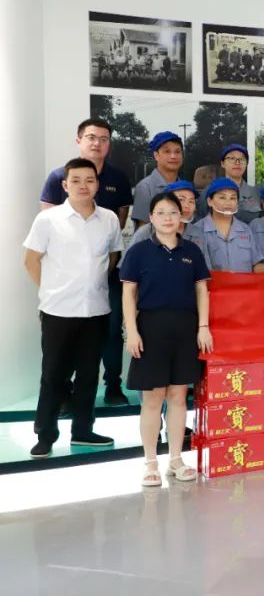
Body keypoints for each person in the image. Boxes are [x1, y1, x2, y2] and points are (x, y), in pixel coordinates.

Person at [23, 158, 123, 457]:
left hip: (96, 310)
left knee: (89, 375)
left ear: (97, 184)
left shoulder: (109, 219)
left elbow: (113, 257)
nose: (83, 185)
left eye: (89, 180)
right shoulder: (48, 220)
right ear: (65, 186)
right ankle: (45, 434)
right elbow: (31, 260)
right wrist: (51, 290)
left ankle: (83, 430)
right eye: (76, 180)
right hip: (58, 312)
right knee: (54, 375)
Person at [120, 192, 212, 486]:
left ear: (181, 216)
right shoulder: (139, 252)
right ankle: (150, 462)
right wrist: (132, 330)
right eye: (160, 213)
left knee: (178, 396)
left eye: (173, 212)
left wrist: (203, 326)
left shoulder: (192, 251)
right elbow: (128, 293)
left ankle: (175, 459)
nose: (168, 218)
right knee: (152, 398)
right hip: (150, 329)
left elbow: (201, 290)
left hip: (185, 329)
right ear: (151, 218)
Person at [40, 117, 133, 406]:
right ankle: (64, 394)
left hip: (107, 273)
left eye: (104, 139)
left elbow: (118, 227)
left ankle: (113, 386)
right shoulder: (58, 177)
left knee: (112, 329)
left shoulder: (118, 179)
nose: (97, 143)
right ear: (79, 140)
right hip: (66, 279)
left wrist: (101, 268)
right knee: (66, 337)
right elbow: (47, 225)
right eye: (91, 137)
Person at [188, 178, 264, 274]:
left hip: (243, 284)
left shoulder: (245, 230)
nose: (228, 202)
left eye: (232, 198)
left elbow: (255, 266)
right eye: (222, 198)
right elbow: (195, 271)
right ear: (210, 201)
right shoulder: (196, 231)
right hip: (213, 284)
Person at [132, 131, 184, 228]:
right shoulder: (145, 187)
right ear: (156, 155)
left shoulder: (184, 188)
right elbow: (143, 229)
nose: (173, 156)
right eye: (167, 151)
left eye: (177, 151)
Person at [197, 144, 261, 222]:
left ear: (246, 163)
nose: (237, 162)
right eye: (232, 158)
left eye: (242, 159)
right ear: (222, 163)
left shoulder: (256, 193)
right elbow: (200, 222)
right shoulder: (209, 191)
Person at [127, 180, 199, 250]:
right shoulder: (145, 233)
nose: (187, 205)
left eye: (191, 201)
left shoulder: (198, 233)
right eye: (181, 200)